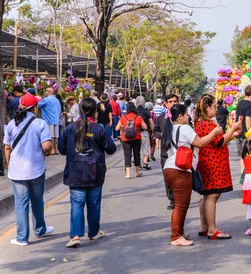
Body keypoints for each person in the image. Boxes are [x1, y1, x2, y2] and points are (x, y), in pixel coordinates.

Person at [59, 98, 117, 248]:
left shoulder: (70, 128)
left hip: (75, 172)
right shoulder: (99, 129)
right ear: (95, 112)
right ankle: (93, 232)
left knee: (77, 204)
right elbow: (111, 149)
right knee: (94, 203)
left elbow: (62, 149)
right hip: (95, 172)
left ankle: (76, 236)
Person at [163, 104, 224, 246]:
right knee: (181, 205)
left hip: (169, 167)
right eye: (186, 115)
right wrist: (214, 133)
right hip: (180, 170)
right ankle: (176, 237)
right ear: (180, 117)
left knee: (180, 204)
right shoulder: (184, 128)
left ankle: (179, 232)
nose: (188, 117)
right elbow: (200, 143)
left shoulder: (171, 128)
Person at [3, 93, 54, 246]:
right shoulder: (40, 124)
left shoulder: (12, 123)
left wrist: (10, 164)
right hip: (36, 169)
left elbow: (7, 147)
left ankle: (22, 238)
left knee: (21, 204)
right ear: (35, 107)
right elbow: (47, 146)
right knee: (37, 201)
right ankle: (40, 230)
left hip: (17, 171)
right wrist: (45, 152)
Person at [194, 94, 242, 240]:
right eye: (214, 107)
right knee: (212, 196)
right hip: (212, 163)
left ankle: (204, 226)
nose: (216, 110)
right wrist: (233, 129)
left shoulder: (200, 122)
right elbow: (220, 142)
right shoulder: (208, 124)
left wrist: (232, 134)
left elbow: (220, 140)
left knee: (206, 195)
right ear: (207, 107)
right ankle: (212, 229)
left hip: (208, 162)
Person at [154, 94, 179, 209]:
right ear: (166, 104)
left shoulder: (183, 117)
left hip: (180, 153)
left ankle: (180, 198)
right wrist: (161, 135)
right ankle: (172, 199)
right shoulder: (161, 118)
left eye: (175, 101)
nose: (173, 103)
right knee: (168, 177)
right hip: (166, 153)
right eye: (170, 101)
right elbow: (155, 131)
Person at [115, 102, 146, 179]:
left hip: (125, 139)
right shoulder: (138, 117)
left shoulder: (123, 117)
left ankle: (128, 174)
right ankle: (137, 172)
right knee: (136, 154)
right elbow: (145, 127)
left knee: (127, 155)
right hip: (136, 138)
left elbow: (116, 128)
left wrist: (123, 127)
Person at [235, 85, 251, 172]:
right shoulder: (250, 105)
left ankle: (242, 173)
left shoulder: (240, 103)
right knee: (247, 156)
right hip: (245, 134)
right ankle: (245, 175)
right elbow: (248, 119)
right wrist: (250, 134)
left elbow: (237, 118)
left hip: (238, 133)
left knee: (242, 156)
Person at [37, 86, 62, 155]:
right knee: (56, 136)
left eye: (46, 90)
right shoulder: (57, 100)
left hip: (48, 120)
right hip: (56, 120)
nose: (45, 92)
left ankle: (52, 149)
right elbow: (60, 110)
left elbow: (37, 105)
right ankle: (56, 149)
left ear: (49, 92)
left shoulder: (46, 100)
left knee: (50, 136)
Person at [137, 101, 154, 170]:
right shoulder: (147, 112)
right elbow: (151, 122)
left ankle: (137, 163)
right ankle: (145, 163)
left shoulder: (135, 112)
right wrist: (153, 131)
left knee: (137, 148)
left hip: (136, 132)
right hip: (144, 132)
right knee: (146, 147)